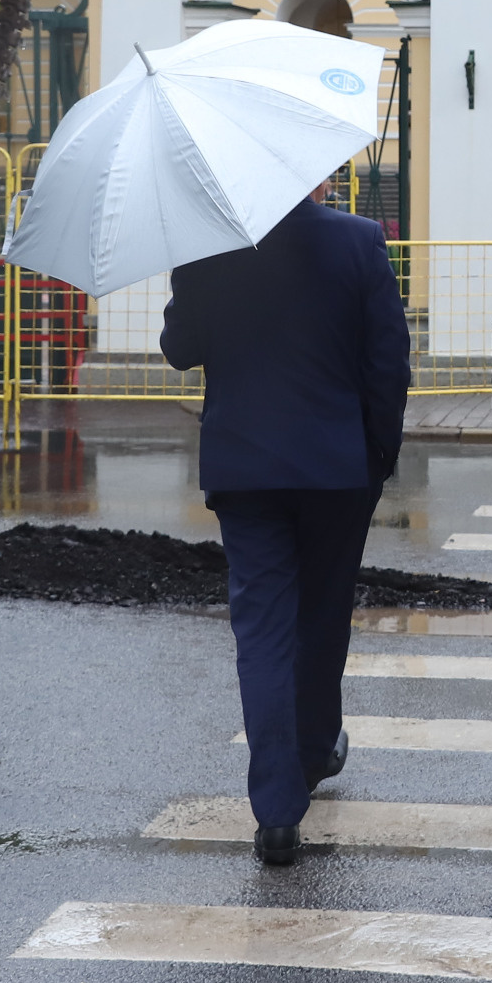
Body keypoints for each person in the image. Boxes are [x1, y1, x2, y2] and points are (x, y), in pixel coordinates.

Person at [162, 182, 411, 867]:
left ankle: (277, 812)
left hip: (245, 468)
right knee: (324, 616)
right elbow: (387, 360)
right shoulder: (358, 240)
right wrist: (378, 454)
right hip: (337, 468)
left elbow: (179, 348)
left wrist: (186, 280)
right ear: (318, 177)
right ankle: (314, 750)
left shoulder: (208, 245)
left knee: (263, 631)